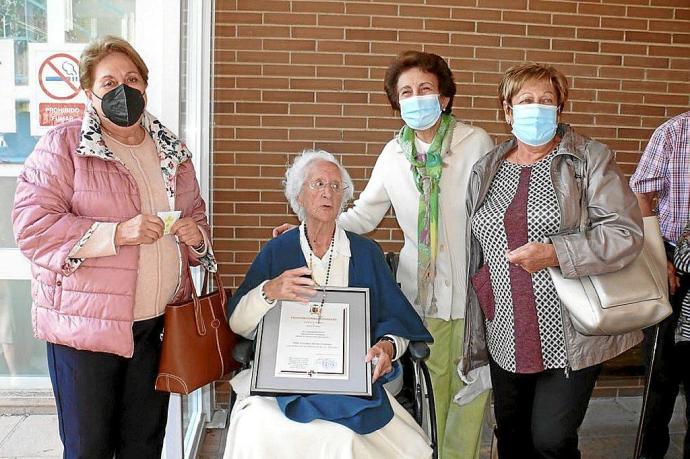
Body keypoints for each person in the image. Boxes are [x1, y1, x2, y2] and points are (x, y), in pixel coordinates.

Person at [274, 50, 494, 459]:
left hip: (474, 289)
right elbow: (363, 215)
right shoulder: (394, 154)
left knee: (472, 386)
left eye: (425, 89)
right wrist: (311, 227)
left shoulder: (475, 142)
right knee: (431, 388)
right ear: (397, 102)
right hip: (421, 292)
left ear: (444, 97)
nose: (416, 98)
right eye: (406, 92)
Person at [12, 36, 216, 459]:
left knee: (143, 445)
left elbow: (195, 214)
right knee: (89, 448)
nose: (122, 90)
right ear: (88, 93)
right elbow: (33, 227)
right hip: (85, 332)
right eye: (108, 83)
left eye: (132, 79)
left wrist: (197, 237)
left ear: (145, 87)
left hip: (155, 327)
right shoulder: (63, 146)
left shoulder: (171, 150)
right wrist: (117, 233)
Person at [460, 62, 644, 459]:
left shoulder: (589, 159)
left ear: (560, 109)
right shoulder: (486, 168)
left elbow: (625, 233)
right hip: (505, 326)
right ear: (507, 110)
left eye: (547, 100)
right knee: (512, 437)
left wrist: (557, 252)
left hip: (569, 327)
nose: (537, 108)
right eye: (526, 100)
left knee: (551, 439)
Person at [224, 149, 434, 459]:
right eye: (318, 184)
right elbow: (238, 323)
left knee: (341, 439)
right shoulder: (277, 251)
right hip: (285, 381)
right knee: (256, 425)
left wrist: (387, 348)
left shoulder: (366, 252)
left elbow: (396, 321)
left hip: (352, 382)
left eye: (336, 186)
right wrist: (270, 290)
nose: (328, 192)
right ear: (299, 195)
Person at [630, 110, 690, 459]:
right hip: (671, 262)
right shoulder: (675, 132)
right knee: (661, 376)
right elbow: (640, 194)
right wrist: (657, 257)